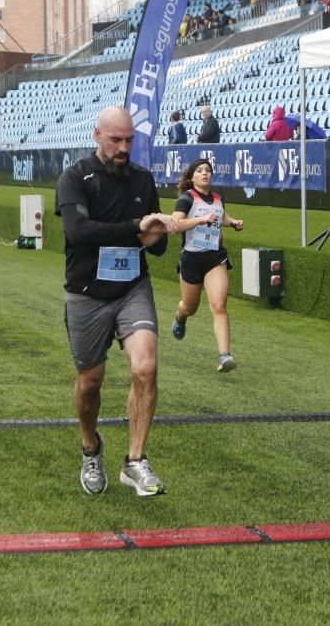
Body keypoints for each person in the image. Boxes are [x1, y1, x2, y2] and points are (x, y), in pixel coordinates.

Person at [55, 106, 181, 497]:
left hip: (132, 289)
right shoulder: (75, 178)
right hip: (88, 294)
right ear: (97, 136)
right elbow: (78, 232)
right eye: (116, 140)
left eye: (129, 140)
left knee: (146, 366)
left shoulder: (143, 180)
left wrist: (160, 233)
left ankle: (135, 461)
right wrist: (134, 228)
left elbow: (153, 249)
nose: (124, 147)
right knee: (90, 383)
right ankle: (91, 447)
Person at [169, 159, 244, 373]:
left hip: (214, 258)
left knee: (219, 305)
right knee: (190, 307)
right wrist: (200, 220)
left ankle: (225, 355)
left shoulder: (218, 198)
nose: (205, 173)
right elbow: (175, 226)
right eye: (200, 171)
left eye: (208, 170)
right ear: (192, 177)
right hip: (192, 259)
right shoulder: (186, 199)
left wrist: (233, 222)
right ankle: (180, 317)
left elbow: (221, 217)